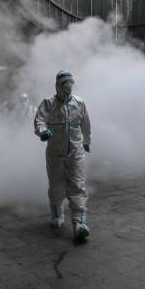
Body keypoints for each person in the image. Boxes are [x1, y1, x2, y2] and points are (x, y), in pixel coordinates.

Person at [34, 71, 92, 240]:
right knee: (56, 185)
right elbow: (40, 120)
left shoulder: (79, 103)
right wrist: (43, 132)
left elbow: (86, 124)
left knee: (78, 185)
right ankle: (57, 214)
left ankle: (80, 222)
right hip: (55, 153)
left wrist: (87, 141)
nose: (68, 85)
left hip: (76, 152)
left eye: (70, 82)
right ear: (58, 85)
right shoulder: (48, 103)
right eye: (65, 83)